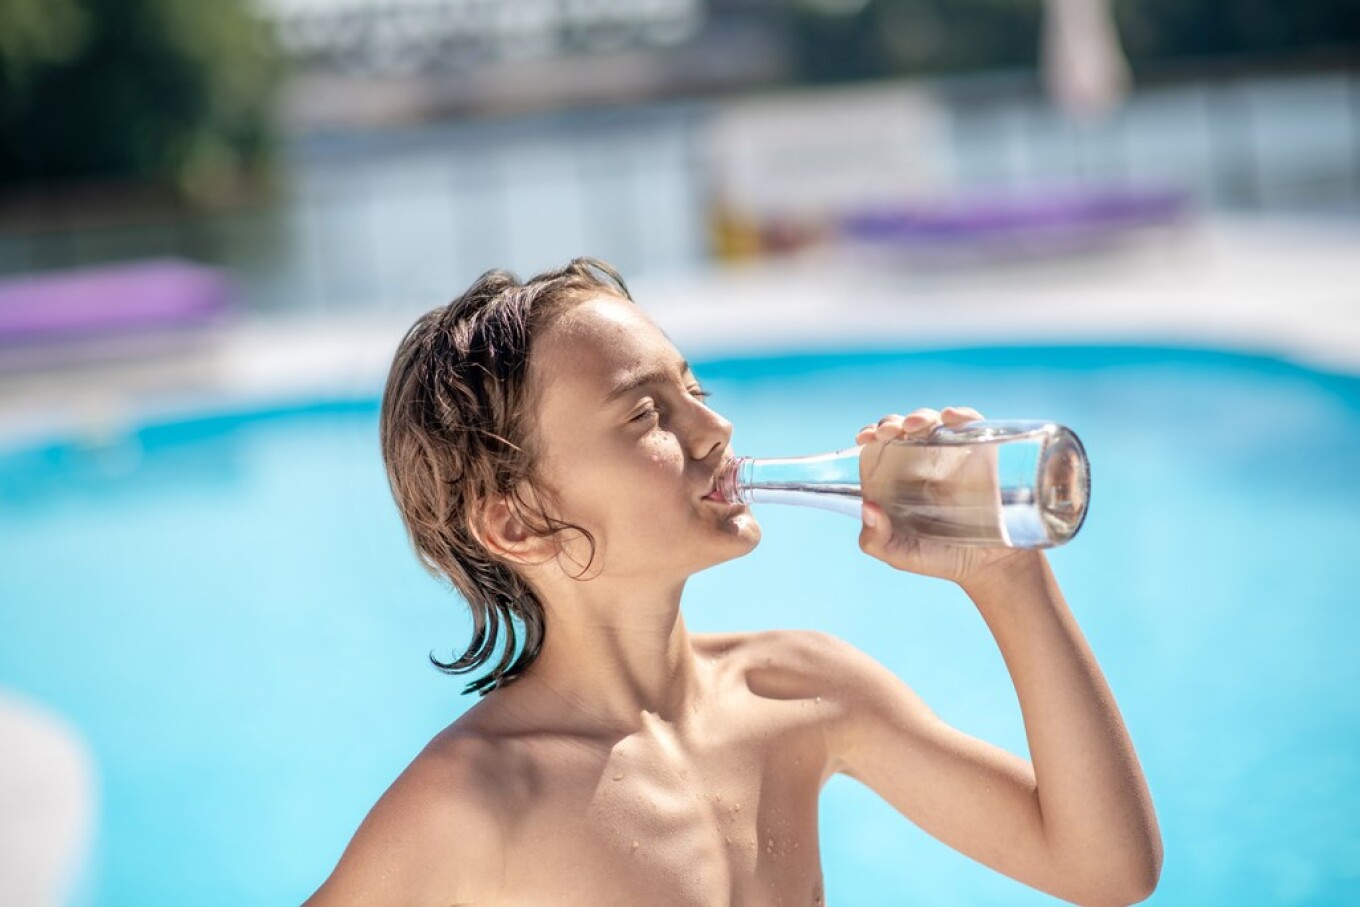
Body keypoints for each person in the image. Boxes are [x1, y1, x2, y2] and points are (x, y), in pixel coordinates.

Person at [305, 258, 1161, 906]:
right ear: (518, 522)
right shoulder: (479, 797)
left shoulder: (799, 689)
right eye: (646, 413)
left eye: (694, 387)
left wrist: (1010, 580)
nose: (715, 427)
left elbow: (1105, 866)